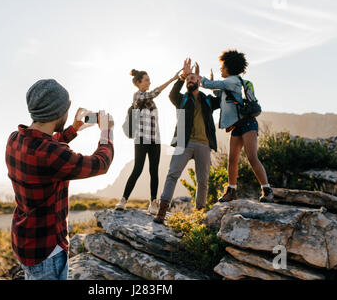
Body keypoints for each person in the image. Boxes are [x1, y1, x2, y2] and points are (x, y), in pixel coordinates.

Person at [5, 79, 114, 280]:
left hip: (24, 241)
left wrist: (73, 129)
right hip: (47, 250)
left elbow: (45, 148)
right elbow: (101, 164)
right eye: (66, 109)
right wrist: (106, 132)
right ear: (58, 113)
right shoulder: (51, 153)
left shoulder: (14, 139)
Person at [198, 50, 274, 203]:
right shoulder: (229, 84)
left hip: (248, 123)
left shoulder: (232, 80)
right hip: (237, 126)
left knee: (252, 157)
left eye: (222, 66)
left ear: (229, 67)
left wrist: (196, 76)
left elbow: (209, 84)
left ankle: (267, 190)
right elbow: (220, 95)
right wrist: (214, 86)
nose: (221, 69)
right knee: (232, 160)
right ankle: (231, 191)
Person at [154, 59, 220, 224]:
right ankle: (162, 211)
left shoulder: (207, 100)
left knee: (203, 181)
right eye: (188, 79)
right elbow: (171, 94)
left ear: (199, 81)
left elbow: (222, 99)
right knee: (172, 175)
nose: (190, 80)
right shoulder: (181, 99)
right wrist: (181, 77)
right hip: (182, 141)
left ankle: (199, 215)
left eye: (193, 78)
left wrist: (211, 85)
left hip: (204, 143)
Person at [115, 69, 180, 214]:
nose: (149, 82)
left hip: (155, 140)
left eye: (149, 80)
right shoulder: (138, 96)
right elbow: (155, 92)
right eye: (146, 80)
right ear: (138, 83)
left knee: (154, 170)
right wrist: (172, 79)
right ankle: (123, 200)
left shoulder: (150, 100)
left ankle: (153, 203)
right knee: (137, 169)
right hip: (141, 139)